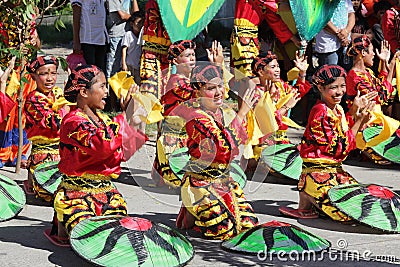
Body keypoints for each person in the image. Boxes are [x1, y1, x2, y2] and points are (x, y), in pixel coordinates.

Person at [49, 64, 147, 246]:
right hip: (76, 195)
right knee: (90, 238)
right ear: (84, 92)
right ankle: (63, 222)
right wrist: (125, 117)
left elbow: (120, 155)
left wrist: (136, 123)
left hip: (107, 193)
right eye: (102, 86)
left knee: (119, 236)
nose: (107, 92)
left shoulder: (104, 120)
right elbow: (102, 146)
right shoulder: (73, 121)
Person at [173, 64, 259, 240]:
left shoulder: (217, 112)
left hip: (224, 179)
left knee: (248, 225)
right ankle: (193, 209)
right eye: (211, 88)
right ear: (198, 92)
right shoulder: (197, 118)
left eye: (220, 85)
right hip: (201, 182)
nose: (219, 91)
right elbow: (223, 149)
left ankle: (194, 213)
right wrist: (241, 114)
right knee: (224, 230)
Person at [279, 64, 373, 221]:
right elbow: (339, 148)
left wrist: (355, 113)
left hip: (334, 171)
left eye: (343, 86)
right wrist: (359, 120)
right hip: (320, 172)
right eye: (333, 87)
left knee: (363, 204)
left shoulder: (337, 109)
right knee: (347, 215)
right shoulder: (321, 112)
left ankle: (308, 200)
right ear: (320, 88)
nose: (340, 92)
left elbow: (344, 132)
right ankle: (308, 195)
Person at [153, 40, 224, 187]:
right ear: (175, 61)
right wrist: (217, 67)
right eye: (187, 55)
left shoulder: (191, 80)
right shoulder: (176, 82)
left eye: (193, 54)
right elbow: (201, 96)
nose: (192, 58)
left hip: (189, 136)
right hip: (175, 138)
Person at [241, 51, 310, 164]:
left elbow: (296, 93)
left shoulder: (279, 85)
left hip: (280, 139)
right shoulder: (254, 91)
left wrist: (302, 72)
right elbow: (267, 121)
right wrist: (286, 106)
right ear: (260, 71)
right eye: (273, 67)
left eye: (278, 66)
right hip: (263, 141)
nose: (278, 70)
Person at [346, 35, 400, 165]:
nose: (374, 55)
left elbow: (381, 86)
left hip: (375, 117)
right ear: (363, 53)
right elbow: (381, 97)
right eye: (371, 51)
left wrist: (384, 63)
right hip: (364, 121)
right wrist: (392, 66)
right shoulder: (355, 76)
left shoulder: (367, 72)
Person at [23, 56, 71, 201]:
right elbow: (54, 123)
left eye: (53, 73)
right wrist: (67, 107)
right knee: (50, 194)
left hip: (62, 151)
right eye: (44, 74)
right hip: (43, 154)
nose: (49, 78)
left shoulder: (58, 93)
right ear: (33, 77)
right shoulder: (34, 99)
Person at [314, 0, 355, 69]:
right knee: (331, 75)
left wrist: (346, 31)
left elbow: (351, 14)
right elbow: (321, 18)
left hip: (345, 44)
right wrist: (339, 34)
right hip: (328, 45)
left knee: (345, 73)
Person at [71, 0, 108, 72]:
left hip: (102, 39)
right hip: (88, 40)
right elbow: (76, 17)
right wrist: (76, 41)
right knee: (89, 71)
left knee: (100, 72)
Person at [121, 11, 144, 85]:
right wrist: (124, 63)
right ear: (131, 24)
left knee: (137, 85)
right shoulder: (128, 34)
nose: (140, 25)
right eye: (138, 23)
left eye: (142, 23)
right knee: (128, 84)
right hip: (129, 65)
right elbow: (124, 49)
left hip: (139, 66)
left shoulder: (143, 36)